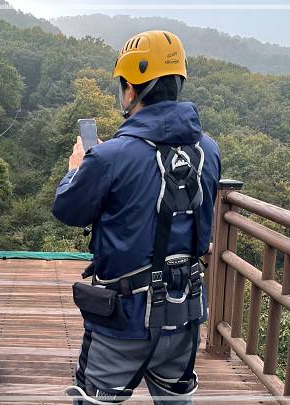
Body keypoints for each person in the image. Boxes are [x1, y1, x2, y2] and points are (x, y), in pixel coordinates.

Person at [53, 31, 221, 404]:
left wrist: (75, 170)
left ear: (130, 91)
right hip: (184, 312)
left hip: (123, 321)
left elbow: (68, 210)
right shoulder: (207, 150)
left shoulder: (111, 156)